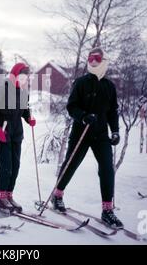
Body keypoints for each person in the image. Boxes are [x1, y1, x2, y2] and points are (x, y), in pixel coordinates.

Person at [51, 47, 123, 229]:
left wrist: (114, 131)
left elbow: (113, 111)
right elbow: (71, 106)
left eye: (97, 58)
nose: (92, 61)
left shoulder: (109, 86)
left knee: (107, 169)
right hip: (81, 133)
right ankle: (57, 196)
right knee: (71, 163)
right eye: (90, 58)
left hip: (101, 135)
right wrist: (83, 116)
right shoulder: (81, 82)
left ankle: (108, 210)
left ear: (104, 61)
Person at [0, 63, 36, 214]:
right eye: (21, 77)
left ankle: (9, 195)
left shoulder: (23, 92)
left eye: (25, 77)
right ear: (14, 75)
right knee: (6, 166)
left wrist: (29, 118)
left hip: (16, 135)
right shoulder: (2, 90)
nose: (23, 80)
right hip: (2, 133)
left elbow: (24, 110)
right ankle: (0, 198)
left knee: (15, 167)